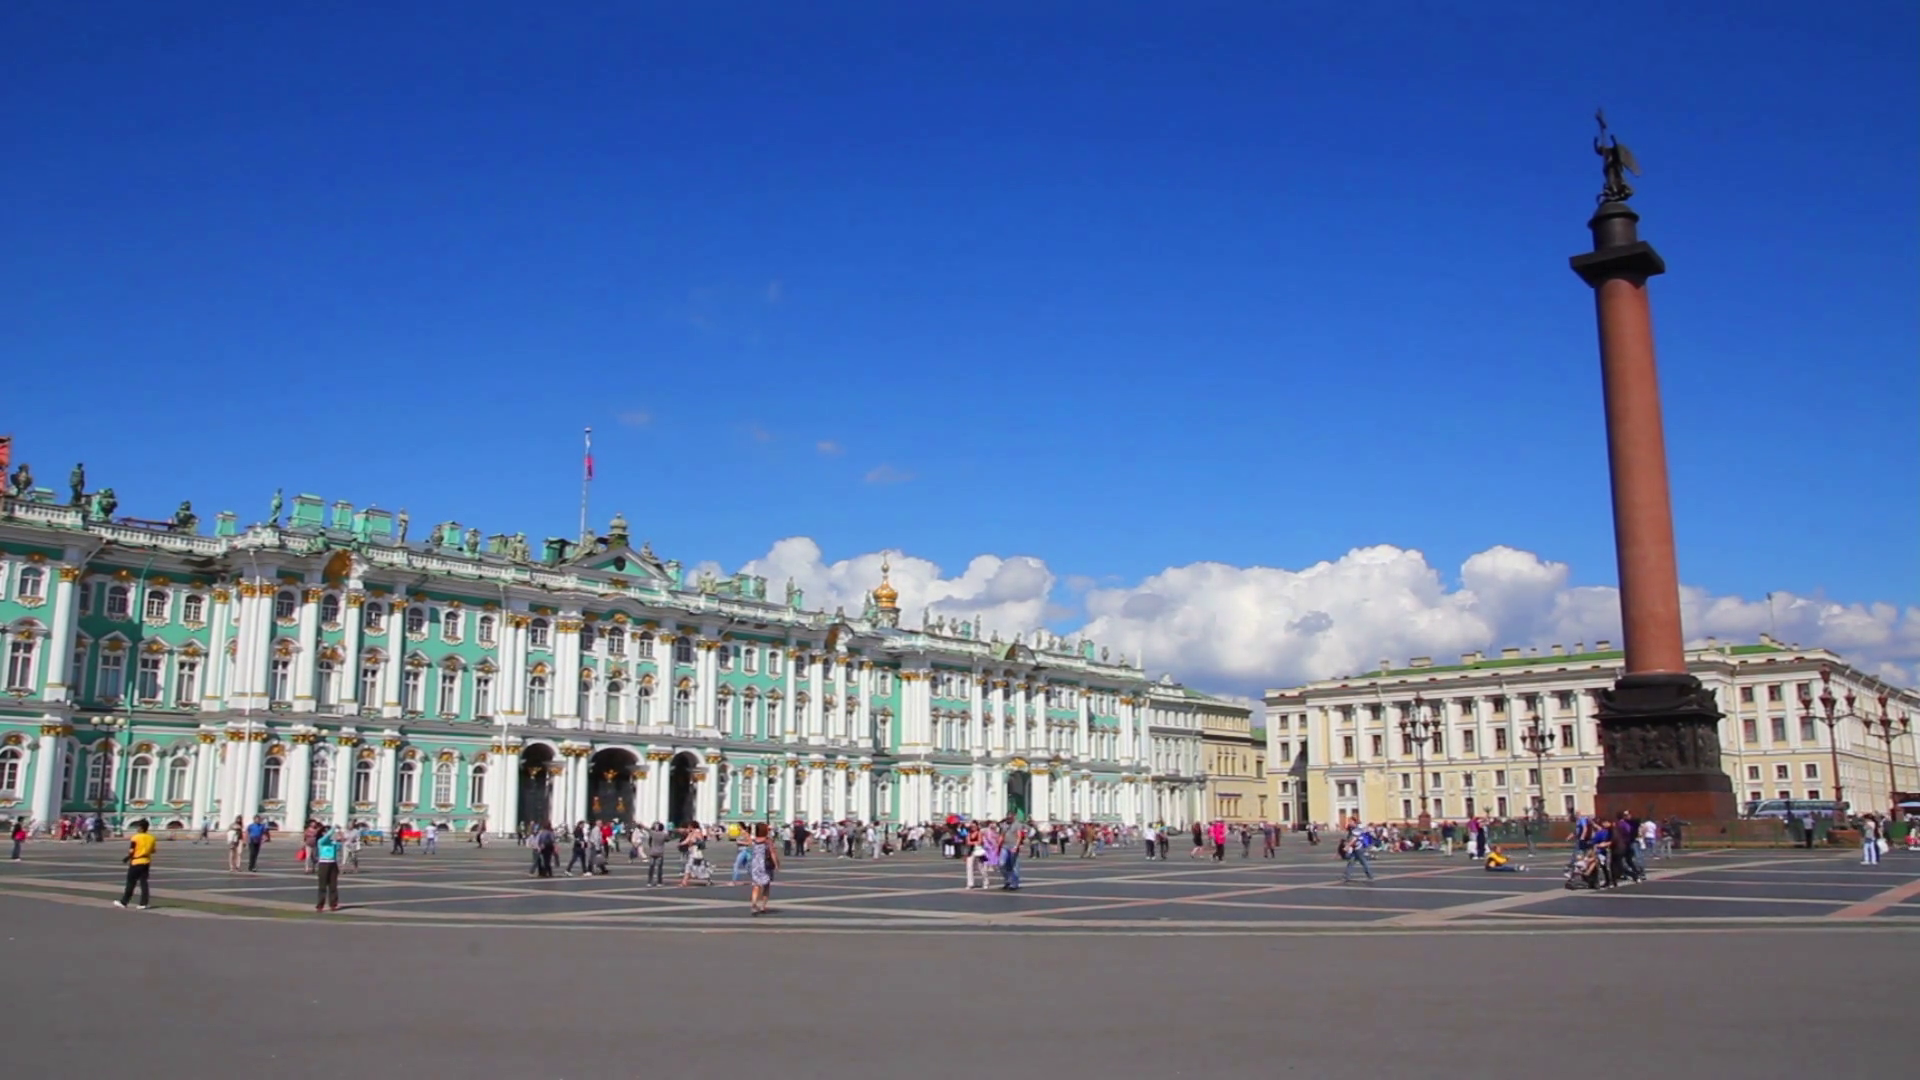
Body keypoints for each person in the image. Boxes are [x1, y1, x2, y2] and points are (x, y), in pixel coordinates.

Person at [115, 819, 156, 909]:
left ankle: (124, 902)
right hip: (146, 862)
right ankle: (143, 903)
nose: (137, 828)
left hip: (136, 862)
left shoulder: (135, 837)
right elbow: (153, 850)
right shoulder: (152, 838)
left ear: (141, 828)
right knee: (144, 883)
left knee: (131, 882)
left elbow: (132, 850)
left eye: (138, 827)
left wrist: (127, 858)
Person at [748, 822, 778, 915]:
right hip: (765, 864)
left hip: (755, 864)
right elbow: (772, 853)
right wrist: (776, 864)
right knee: (766, 886)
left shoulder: (753, 840)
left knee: (756, 885)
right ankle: (763, 906)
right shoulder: (768, 841)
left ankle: (753, 904)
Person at [314, 824, 342, 911]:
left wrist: (338, 838)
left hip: (333, 863)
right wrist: (332, 830)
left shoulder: (333, 842)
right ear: (323, 833)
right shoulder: (321, 841)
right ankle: (320, 904)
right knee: (322, 886)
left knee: (333, 885)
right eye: (326, 832)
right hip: (323, 863)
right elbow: (326, 837)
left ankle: (333, 904)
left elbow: (339, 847)